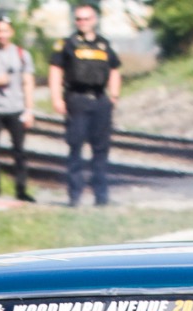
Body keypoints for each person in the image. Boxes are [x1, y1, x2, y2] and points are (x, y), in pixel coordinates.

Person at [47, 4, 120, 208]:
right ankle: (75, 195)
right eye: (79, 19)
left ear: (94, 20)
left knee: (101, 150)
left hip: (99, 100)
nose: (82, 22)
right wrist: (57, 98)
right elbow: (55, 71)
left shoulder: (104, 45)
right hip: (77, 99)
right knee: (75, 148)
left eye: (86, 19)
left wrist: (113, 96)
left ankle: (101, 196)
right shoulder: (67, 44)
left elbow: (114, 70)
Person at [0, 17, 35, 203]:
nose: (2, 35)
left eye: (5, 31)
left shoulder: (21, 54)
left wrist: (29, 109)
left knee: (19, 151)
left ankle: (21, 189)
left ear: (11, 32)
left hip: (15, 107)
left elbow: (28, 82)